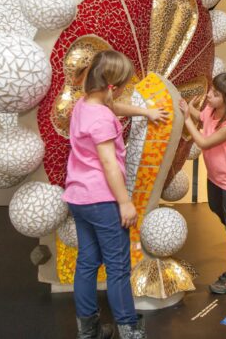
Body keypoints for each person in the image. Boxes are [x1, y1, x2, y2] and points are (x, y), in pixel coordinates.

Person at [63, 50, 168, 339]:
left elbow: (114, 108)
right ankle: (129, 330)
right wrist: (125, 203)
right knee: (118, 268)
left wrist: (145, 112)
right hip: (103, 200)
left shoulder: (84, 105)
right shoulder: (102, 119)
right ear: (114, 86)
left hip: (78, 197)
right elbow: (109, 163)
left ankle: (89, 331)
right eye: (125, 84)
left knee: (86, 262)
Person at [180, 72, 226, 294]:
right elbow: (202, 118)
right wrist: (187, 107)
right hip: (215, 176)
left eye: (215, 93)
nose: (209, 95)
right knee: (214, 208)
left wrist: (185, 119)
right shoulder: (212, 109)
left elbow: (203, 141)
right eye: (211, 90)